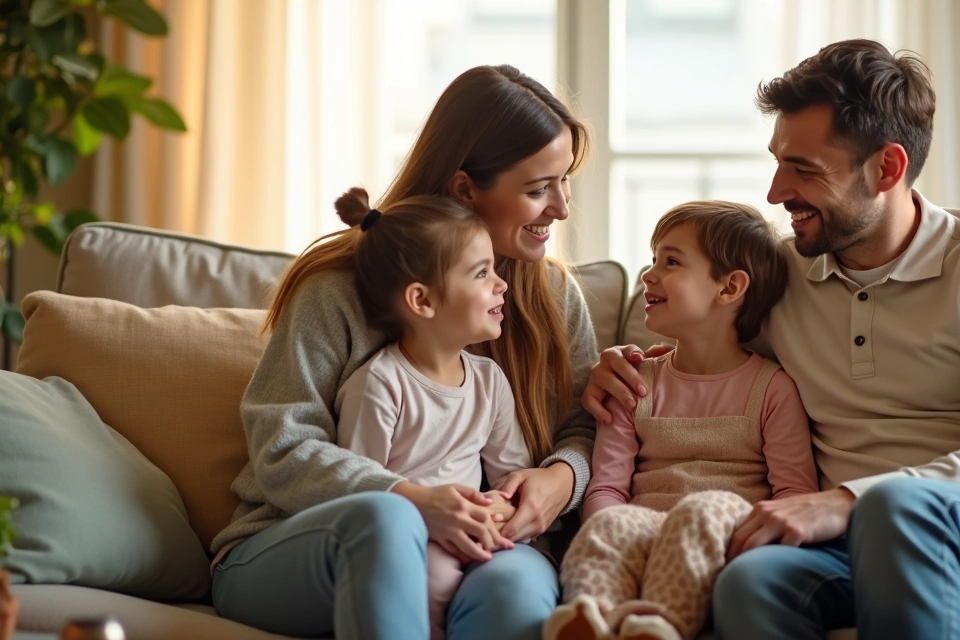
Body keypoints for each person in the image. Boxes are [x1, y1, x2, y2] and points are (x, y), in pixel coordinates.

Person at [582, 40, 960, 640]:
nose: (776, 192)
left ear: (887, 168)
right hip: (847, 542)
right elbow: (699, 340)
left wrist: (851, 499)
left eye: (804, 168)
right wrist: (618, 366)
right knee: (750, 583)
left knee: (896, 513)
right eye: (778, 161)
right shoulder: (780, 277)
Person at [210, 65, 598, 640]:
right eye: (539, 188)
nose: (562, 208)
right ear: (466, 188)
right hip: (299, 544)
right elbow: (283, 447)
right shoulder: (336, 292)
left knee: (515, 587)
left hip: (479, 543)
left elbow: (584, 426)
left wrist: (562, 478)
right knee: (390, 522)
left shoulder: (554, 297)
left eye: (565, 181)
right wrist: (410, 499)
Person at [544, 201, 817, 640]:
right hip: (645, 529)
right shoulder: (633, 383)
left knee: (703, 508)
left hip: (728, 534)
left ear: (729, 288)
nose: (649, 274)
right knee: (609, 521)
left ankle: (660, 625)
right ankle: (593, 617)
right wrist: (614, 525)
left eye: (670, 261)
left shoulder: (773, 389)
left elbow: (794, 495)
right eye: (653, 259)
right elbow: (609, 486)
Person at [328, 191, 531, 639]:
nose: (501, 284)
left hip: (476, 532)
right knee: (432, 581)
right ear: (422, 300)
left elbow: (510, 473)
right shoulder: (380, 384)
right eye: (482, 273)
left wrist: (500, 506)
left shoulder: (489, 379)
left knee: (512, 585)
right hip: (414, 538)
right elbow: (360, 491)